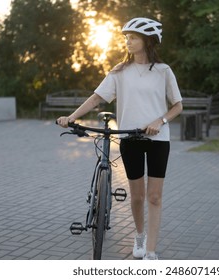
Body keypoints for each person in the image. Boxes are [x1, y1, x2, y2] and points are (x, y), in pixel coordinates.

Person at [57, 17, 183, 260]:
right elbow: (96, 98)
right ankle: (139, 236)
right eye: (126, 37)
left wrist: (160, 121)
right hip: (129, 138)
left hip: (158, 139)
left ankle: (151, 251)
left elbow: (177, 106)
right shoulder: (119, 72)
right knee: (136, 196)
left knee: (154, 196)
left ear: (147, 41)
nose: (128, 41)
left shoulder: (164, 71)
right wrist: (71, 117)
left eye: (133, 37)